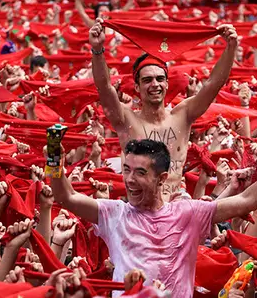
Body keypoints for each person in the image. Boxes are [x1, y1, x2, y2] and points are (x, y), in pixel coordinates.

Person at [51, 138, 257, 298]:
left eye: (140, 172)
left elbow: (247, 200)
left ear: (162, 178)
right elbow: (66, 197)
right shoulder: (114, 213)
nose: (130, 180)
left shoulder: (188, 213)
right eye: (127, 170)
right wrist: (53, 155)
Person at [89, 18, 240, 198]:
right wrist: (98, 50)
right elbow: (105, 88)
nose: (155, 84)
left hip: (174, 211)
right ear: (137, 87)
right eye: (147, 80)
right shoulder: (126, 119)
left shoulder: (183, 114)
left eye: (160, 79)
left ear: (167, 84)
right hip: (139, 212)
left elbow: (213, 84)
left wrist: (231, 48)